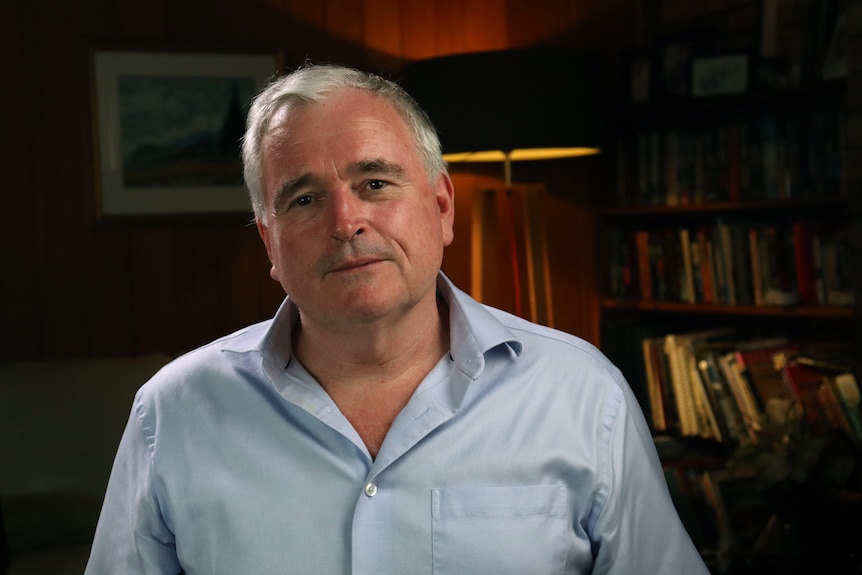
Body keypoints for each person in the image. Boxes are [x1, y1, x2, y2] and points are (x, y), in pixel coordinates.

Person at [85, 63, 710, 575]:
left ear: (441, 207)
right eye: (304, 200)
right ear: (271, 245)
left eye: (376, 183)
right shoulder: (171, 414)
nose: (346, 222)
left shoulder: (581, 394)